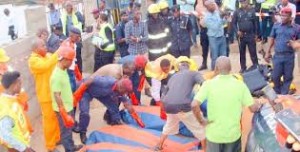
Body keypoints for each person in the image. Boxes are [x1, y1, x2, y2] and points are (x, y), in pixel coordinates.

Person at [191, 56, 262, 152]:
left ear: (216, 68)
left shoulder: (208, 84)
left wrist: (201, 121)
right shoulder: (240, 85)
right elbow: (253, 108)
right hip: (232, 136)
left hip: (213, 136)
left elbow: (194, 104)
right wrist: (258, 104)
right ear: (230, 69)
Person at [155, 58, 206, 151]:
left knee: (169, 125)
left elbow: (163, 95)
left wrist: (163, 109)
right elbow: (204, 84)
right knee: (199, 127)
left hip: (168, 106)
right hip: (183, 106)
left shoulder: (173, 77)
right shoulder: (194, 73)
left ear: (178, 68)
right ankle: (205, 149)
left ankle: (159, 145)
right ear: (189, 66)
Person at [73, 77, 144, 144]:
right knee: (85, 112)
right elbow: (90, 80)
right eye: (125, 92)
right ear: (121, 87)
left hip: (103, 94)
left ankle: (116, 121)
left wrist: (137, 118)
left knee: (114, 107)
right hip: (86, 91)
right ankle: (83, 131)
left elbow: (128, 105)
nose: (124, 94)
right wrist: (79, 92)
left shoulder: (120, 92)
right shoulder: (107, 82)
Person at [28, 38, 60, 152]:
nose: (46, 47)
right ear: (36, 49)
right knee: (49, 121)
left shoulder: (46, 56)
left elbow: (53, 61)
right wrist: (57, 53)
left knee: (56, 117)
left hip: (53, 92)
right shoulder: (33, 60)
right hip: (45, 95)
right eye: (43, 46)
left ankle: (57, 138)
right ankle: (50, 146)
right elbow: (46, 65)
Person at [50, 46, 83, 152]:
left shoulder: (63, 69)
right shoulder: (57, 75)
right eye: (71, 61)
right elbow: (57, 95)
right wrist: (63, 111)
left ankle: (71, 146)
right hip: (63, 109)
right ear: (64, 59)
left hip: (68, 106)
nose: (71, 64)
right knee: (66, 132)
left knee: (68, 130)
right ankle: (69, 149)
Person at [265, 7, 300, 95]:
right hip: (277, 56)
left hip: (289, 56)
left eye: (285, 16)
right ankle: (277, 92)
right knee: (275, 76)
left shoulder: (296, 28)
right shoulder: (276, 25)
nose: (283, 18)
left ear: (290, 17)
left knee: (288, 77)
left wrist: (294, 43)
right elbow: (271, 38)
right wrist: (267, 51)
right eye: (282, 16)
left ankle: (283, 95)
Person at [0, 71, 35, 152]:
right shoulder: (6, 107)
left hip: (23, 144)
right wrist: (24, 148)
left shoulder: (11, 99)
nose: (21, 86)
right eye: (19, 84)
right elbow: (5, 134)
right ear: (13, 85)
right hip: (18, 148)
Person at [232, 0, 259, 73]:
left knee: (253, 52)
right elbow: (233, 23)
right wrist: (237, 31)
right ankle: (243, 67)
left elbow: (256, 23)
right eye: (241, 2)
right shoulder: (237, 12)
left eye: (244, 2)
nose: (243, 4)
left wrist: (256, 34)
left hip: (251, 35)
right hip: (241, 36)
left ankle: (256, 66)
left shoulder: (252, 11)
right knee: (242, 52)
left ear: (247, 2)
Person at [200, 0, 227, 70]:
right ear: (207, 7)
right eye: (212, 5)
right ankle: (214, 72)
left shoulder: (217, 13)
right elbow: (215, 27)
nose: (214, 6)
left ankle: (223, 71)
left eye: (214, 4)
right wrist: (221, 19)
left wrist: (225, 18)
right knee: (214, 57)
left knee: (223, 56)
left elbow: (223, 23)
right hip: (213, 38)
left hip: (221, 36)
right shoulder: (207, 17)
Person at [61, 1, 83, 72]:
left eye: (69, 6)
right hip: (68, 40)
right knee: (71, 58)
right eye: (66, 6)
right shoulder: (63, 17)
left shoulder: (77, 14)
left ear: (72, 7)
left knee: (78, 57)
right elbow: (62, 28)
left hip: (77, 39)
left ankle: (80, 72)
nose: (68, 8)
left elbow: (82, 23)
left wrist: (77, 28)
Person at [61, 27, 82, 92]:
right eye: (77, 37)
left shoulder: (73, 43)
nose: (79, 38)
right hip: (68, 69)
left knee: (74, 85)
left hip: (72, 68)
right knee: (71, 87)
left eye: (79, 37)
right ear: (71, 35)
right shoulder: (66, 44)